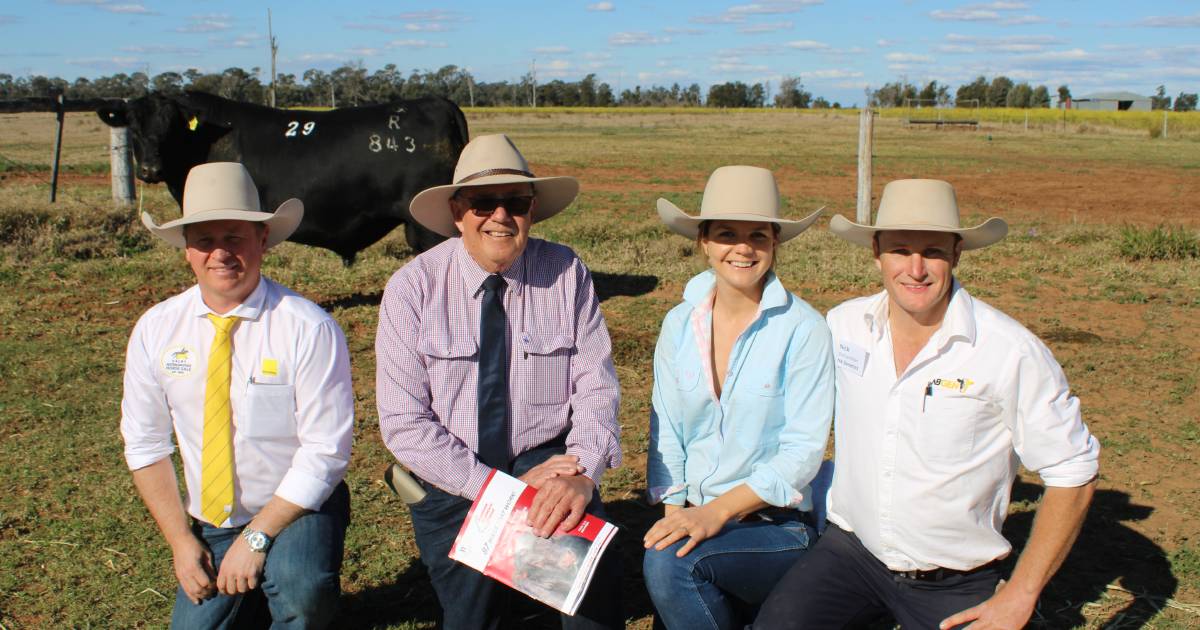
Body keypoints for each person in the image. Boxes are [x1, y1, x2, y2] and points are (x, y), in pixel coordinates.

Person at [755, 179, 1100, 630]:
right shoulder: (844, 326)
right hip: (850, 553)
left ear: (957, 253)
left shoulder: (1009, 351)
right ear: (876, 251)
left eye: (932, 251)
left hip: (954, 580)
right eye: (900, 249)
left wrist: (1021, 594)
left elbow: (1073, 470)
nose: (915, 269)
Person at [376, 134, 623, 629]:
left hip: (548, 464)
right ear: (457, 212)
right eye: (483, 202)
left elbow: (597, 388)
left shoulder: (567, 272)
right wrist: (500, 493)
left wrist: (583, 474)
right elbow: (405, 425)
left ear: (532, 211)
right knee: (473, 618)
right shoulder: (413, 287)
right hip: (455, 474)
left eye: (516, 202)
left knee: (586, 606)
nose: (500, 216)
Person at [120, 162, 354, 628]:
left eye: (234, 237)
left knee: (303, 593)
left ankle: (279, 582)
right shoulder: (156, 329)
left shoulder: (307, 327)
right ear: (186, 249)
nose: (220, 254)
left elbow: (326, 451)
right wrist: (183, 543)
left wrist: (258, 538)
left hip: (294, 508)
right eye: (205, 240)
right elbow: (145, 444)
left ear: (262, 240)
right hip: (210, 520)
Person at [643, 165, 834, 630]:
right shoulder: (678, 323)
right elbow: (666, 429)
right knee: (668, 553)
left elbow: (802, 455)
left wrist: (714, 514)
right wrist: (676, 515)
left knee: (673, 565)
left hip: (775, 525)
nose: (743, 248)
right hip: (699, 514)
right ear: (704, 241)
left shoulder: (804, 330)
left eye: (758, 236)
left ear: (775, 243)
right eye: (727, 234)